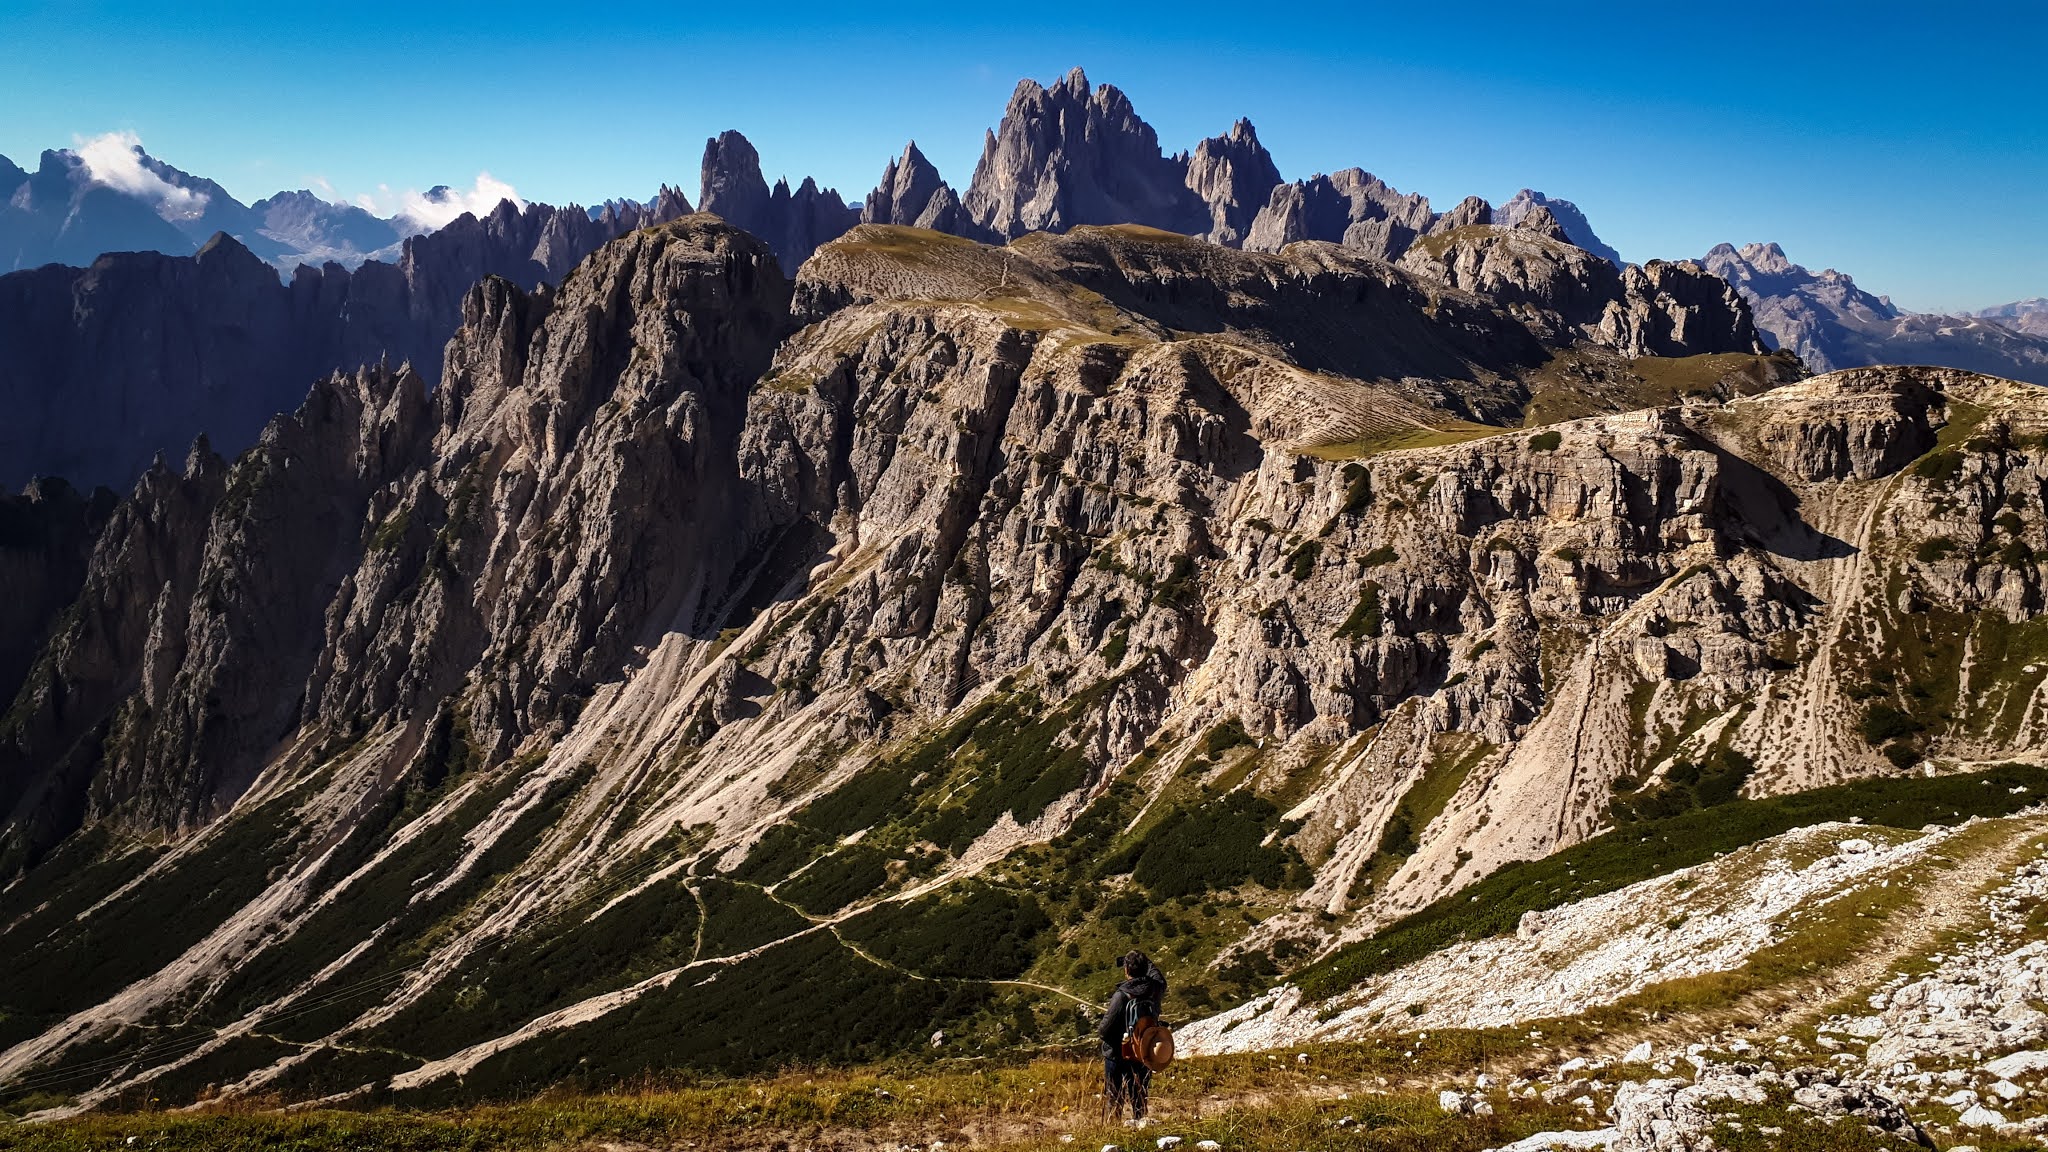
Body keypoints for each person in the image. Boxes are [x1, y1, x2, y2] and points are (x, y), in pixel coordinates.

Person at [1099, 949, 1167, 1124]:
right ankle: (1141, 1125)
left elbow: (1104, 1030)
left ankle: (1113, 1128)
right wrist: (1143, 959)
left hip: (1118, 1053)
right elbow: (1157, 975)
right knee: (1139, 1093)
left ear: (1126, 970)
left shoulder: (1122, 995)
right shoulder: (1155, 988)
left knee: (1114, 1096)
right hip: (1143, 1049)